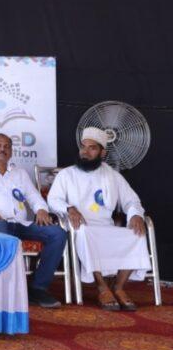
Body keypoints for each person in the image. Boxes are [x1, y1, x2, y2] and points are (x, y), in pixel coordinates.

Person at [47, 127, 151, 311]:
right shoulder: (67, 174)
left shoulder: (113, 176)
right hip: (79, 226)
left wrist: (135, 214)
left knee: (138, 233)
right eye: (83, 147)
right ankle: (102, 288)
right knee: (85, 233)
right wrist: (69, 208)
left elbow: (132, 200)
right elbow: (53, 200)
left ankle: (118, 287)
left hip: (106, 225)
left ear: (103, 153)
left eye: (92, 148)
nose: (85, 152)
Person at [0, 134, 65, 308]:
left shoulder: (19, 174)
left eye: (6, 146)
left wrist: (41, 209)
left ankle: (38, 288)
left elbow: (33, 196)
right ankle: (5, 289)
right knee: (2, 231)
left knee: (58, 233)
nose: (2, 149)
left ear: (11, 152)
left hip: (21, 224)